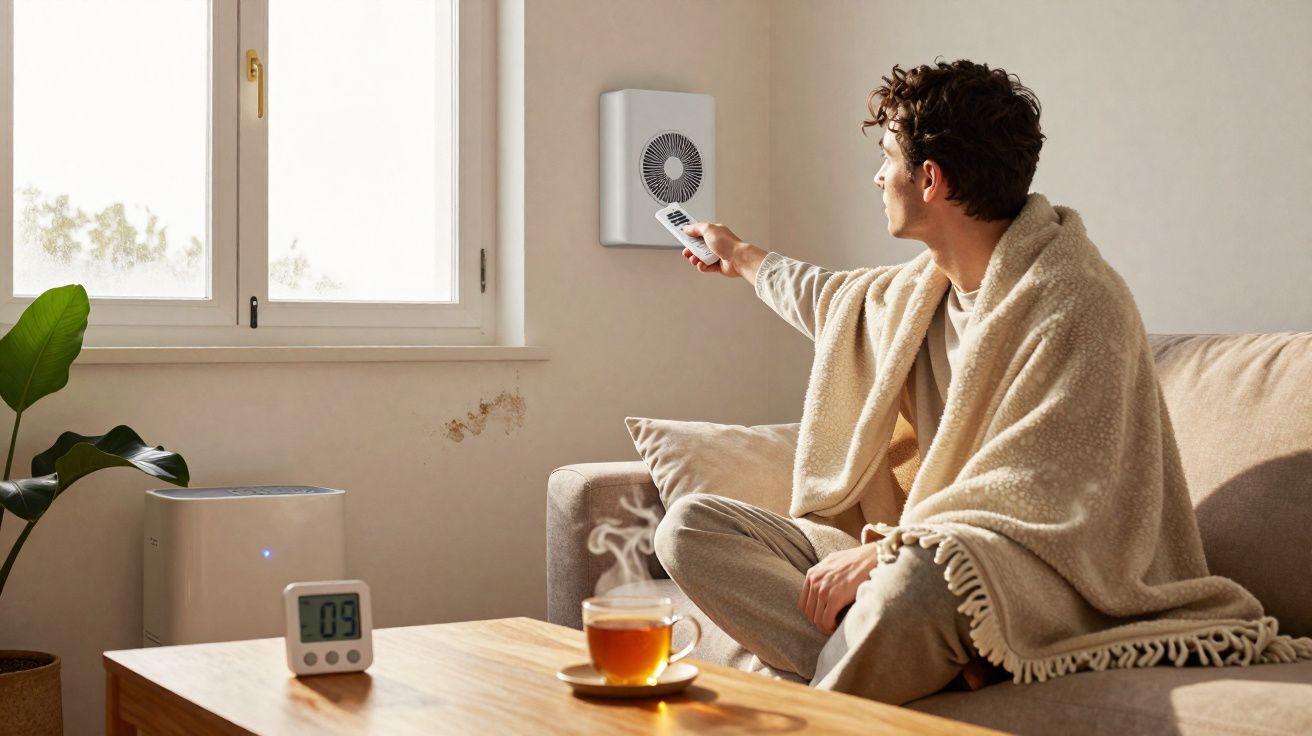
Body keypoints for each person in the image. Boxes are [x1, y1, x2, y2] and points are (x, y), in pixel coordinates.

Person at [653, 58, 1310, 705]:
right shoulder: (914, 293)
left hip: (1031, 572)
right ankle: (920, 661)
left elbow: (1045, 490)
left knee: (917, 586)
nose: (877, 176)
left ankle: (849, 692)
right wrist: (737, 254)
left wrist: (894, 551)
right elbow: (822, 297)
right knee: (690, 526)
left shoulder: (1078, 303)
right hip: (915, 553)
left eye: (887, 157)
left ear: (930, 179)